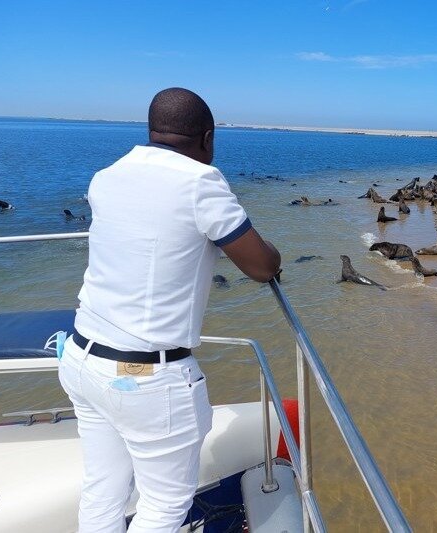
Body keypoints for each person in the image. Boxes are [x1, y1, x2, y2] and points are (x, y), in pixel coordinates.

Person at [58, 87, 281, 532]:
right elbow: (261, 265)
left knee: (102, 489)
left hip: (83, 359)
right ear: (208, 138)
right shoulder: (200, 181)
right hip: (148, 380)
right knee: (162, 506)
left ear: (152, 131)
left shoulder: (107, 175)